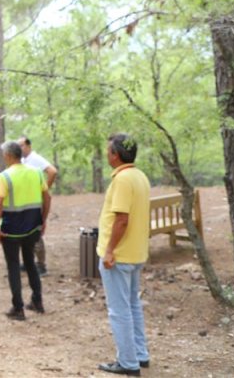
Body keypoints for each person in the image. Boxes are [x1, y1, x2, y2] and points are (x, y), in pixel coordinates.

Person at [97, 134, 151, 376]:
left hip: (119, 256)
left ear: (115, 155)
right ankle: (140, 354)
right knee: (133, 305)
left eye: (108, 151)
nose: (107, 154)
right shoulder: (140, 176)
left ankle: (128, 363)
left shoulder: (123, 179)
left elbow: (121, 219)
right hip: (136, 252)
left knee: (119, 310)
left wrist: (109, 250)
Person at [0, 141, 50, 321]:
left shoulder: (5, 176)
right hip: (33, 227)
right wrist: (43, 220)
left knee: (13, 267)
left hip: (11, 230)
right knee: (30, 263)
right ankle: (37, 301)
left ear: (9, 156)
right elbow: (47, 197)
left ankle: (18, 308)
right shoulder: (37, 173)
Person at [18, 136, 58, 276]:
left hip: (35, 201)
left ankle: (41, 265)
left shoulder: (35, 158)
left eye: (22, 145)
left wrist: (44, 189)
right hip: (24, 202)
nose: (20, 148)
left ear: (28, 145)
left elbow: (52, 171)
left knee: (35, 232)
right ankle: (28, 261)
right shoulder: (22, 161)